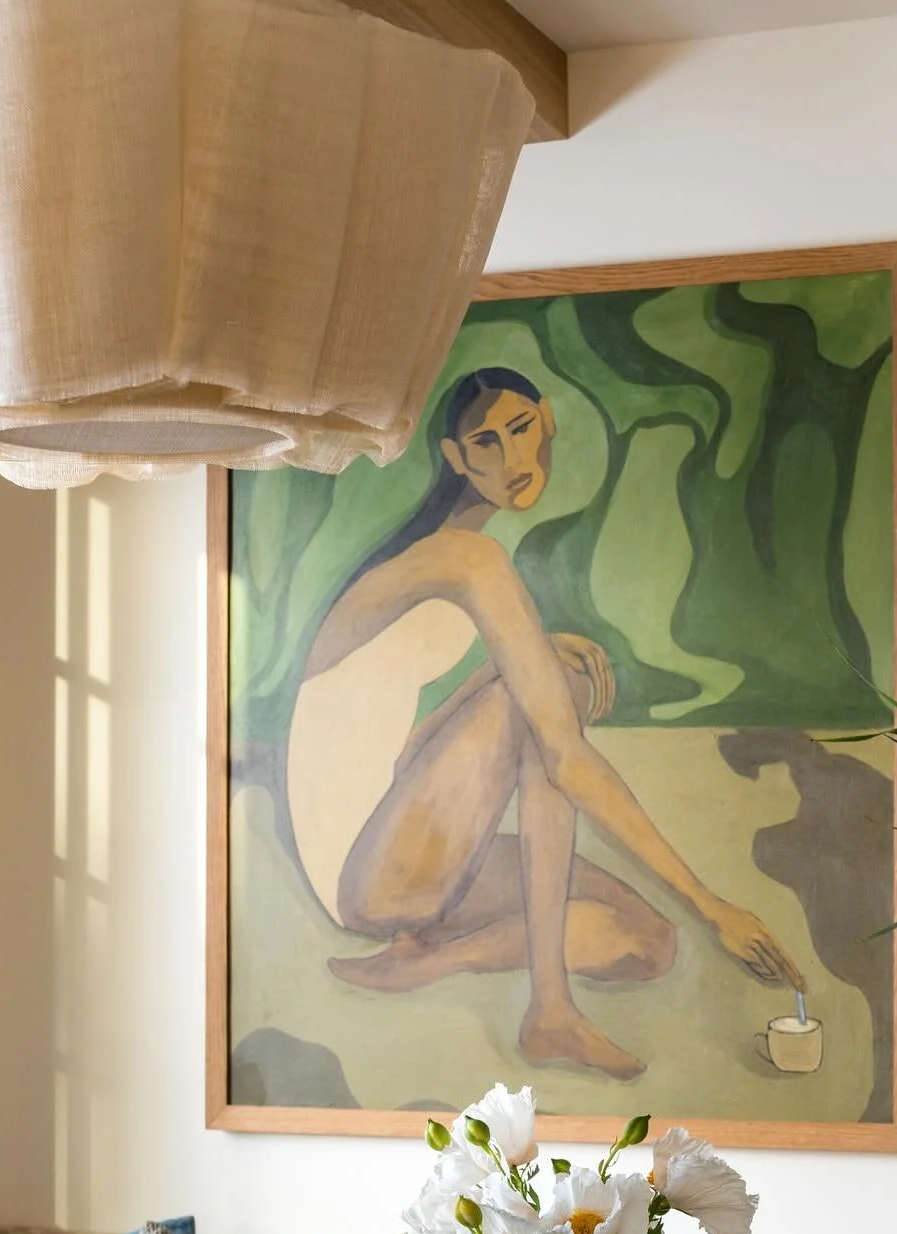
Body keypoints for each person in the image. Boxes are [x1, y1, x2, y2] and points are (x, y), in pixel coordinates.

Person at [287, 366, 801, 1080]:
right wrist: (711, 904)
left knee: (647, 942)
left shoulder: (445, 553)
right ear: (458, 460)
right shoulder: (469, 558)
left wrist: (503, 670)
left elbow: (397, 737)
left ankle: (429, 960)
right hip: (361, 869)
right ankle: (550, 1010)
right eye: (487, 445)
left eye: (522, 430)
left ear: (548, 419)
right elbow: (566, 759)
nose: (512, 459)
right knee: (551, 696)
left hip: (398, 839)